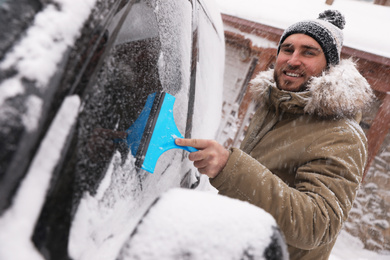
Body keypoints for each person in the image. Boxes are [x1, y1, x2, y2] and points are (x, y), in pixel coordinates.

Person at [175, 10, 374, 260]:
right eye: (287, 49)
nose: (292, 60)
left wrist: (229, 166)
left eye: (308, 52)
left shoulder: (342, 135)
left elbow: (317, 225)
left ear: (330, 66)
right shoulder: (276, 107)